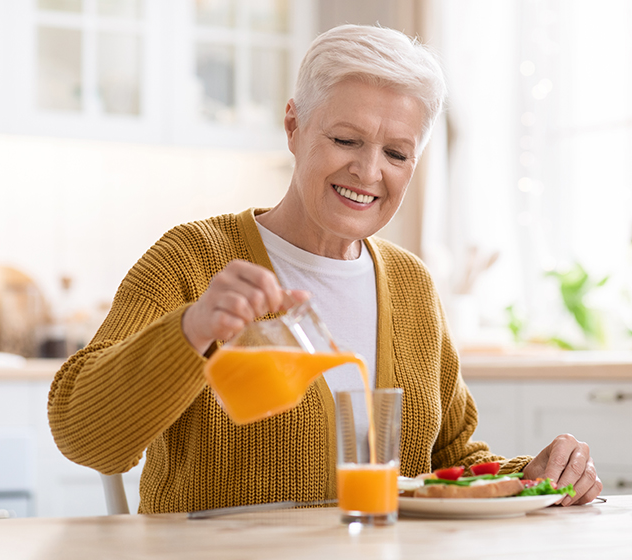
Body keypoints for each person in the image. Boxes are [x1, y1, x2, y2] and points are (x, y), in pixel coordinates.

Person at [47, 24, 602, 514]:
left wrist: (534, 481)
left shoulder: (411, 285)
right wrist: (191, 330)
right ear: (293, 126)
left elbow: (449, 460)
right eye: (345, 140)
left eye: (397, 153)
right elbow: (83, 436)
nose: (367, 171)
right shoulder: (193, 259)